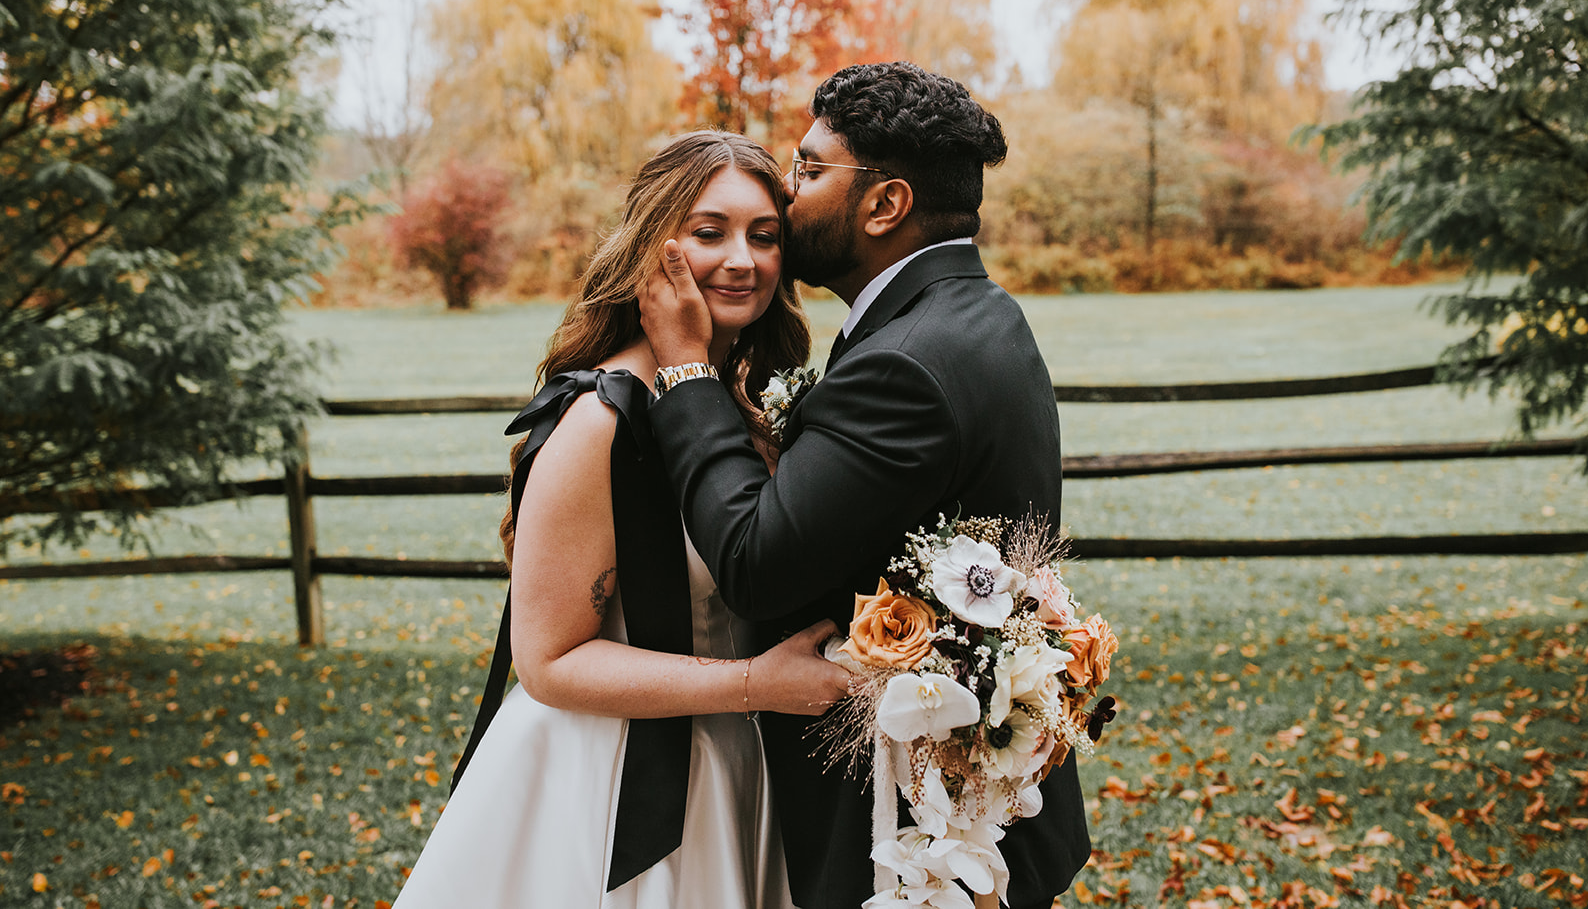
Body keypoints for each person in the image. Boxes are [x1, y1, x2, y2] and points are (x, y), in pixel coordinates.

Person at [640, 63, 1092, 909]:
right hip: (973, 811)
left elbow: (755, 561)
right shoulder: (974, 314)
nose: (788, 187)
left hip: (918, 838)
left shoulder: (905, 363)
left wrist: (688, 372)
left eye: (811, 168)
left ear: (884, 204)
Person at [394, 132, 850, 909]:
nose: (741, 259)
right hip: (606, 779)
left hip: (737, 764)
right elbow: (548, 660)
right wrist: (753, 683)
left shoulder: (742, 405)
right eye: (709, 231)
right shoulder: (600, 421)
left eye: (764, 235)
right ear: (653, 244)